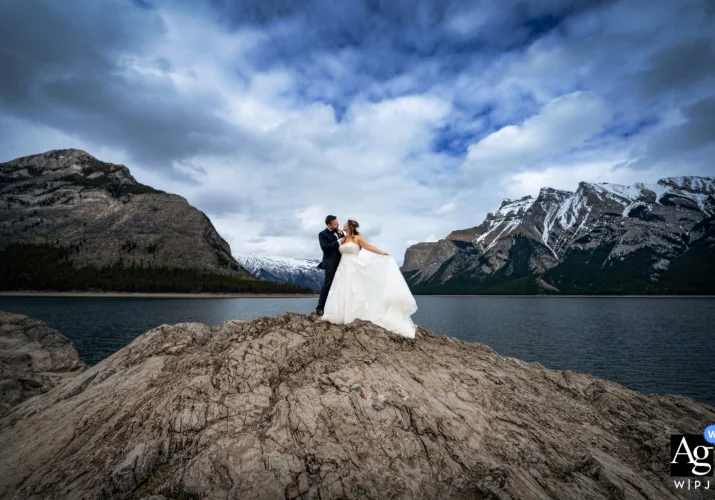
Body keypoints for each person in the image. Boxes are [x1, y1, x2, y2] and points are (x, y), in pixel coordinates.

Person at [320, 219, 417, 339]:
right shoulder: (343, 238)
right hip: (342, 268)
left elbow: (369, 247)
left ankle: (355, 315)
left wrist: (382, 253)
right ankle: (341, 315)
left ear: (350, 227)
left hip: (354, 267)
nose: (342, 225)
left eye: (345, 224)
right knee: (341, 290)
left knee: (355, 291)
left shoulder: (357, 238)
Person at [315, 215, 345, 316]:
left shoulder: (339, 232)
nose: (338, 225)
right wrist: (338, 241)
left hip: (342, 262)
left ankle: (336, 308)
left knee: (340, 285)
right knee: (327, 285)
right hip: (330, 263)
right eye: (336, 224)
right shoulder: (322, 234)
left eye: (338, 223)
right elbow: (325, 247)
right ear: (329, 225)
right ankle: (320, 308)